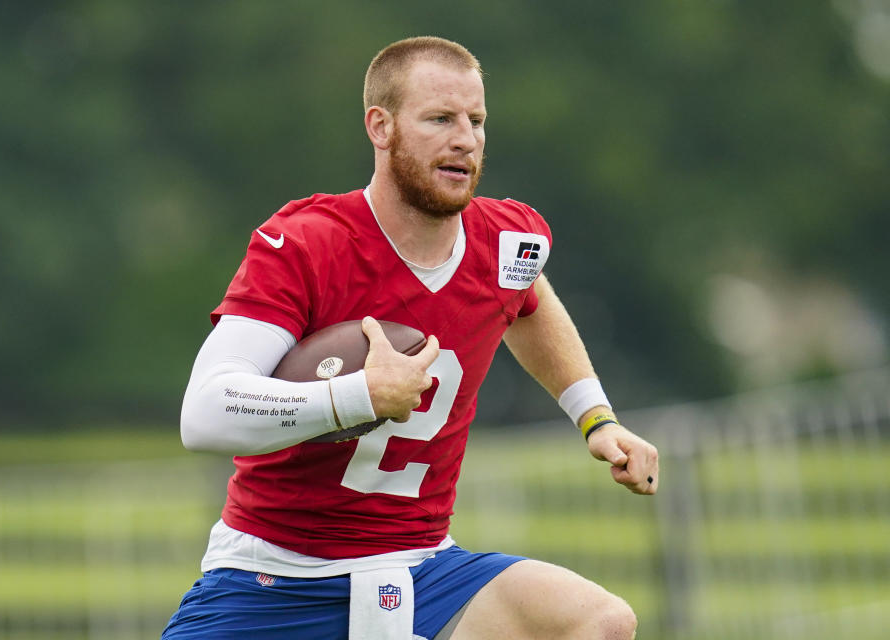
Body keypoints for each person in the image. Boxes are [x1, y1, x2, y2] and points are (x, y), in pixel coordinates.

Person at [162, 36, 659, 640]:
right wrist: (358, 397)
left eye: (476, 121)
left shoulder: (508, 242)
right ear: (382, 126)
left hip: (421, 570)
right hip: (274, 578)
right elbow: (205, 412)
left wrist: (596, 418)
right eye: (440, 119)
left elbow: (529, 303)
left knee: (601, 622)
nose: (466, 139)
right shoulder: (308, 241)